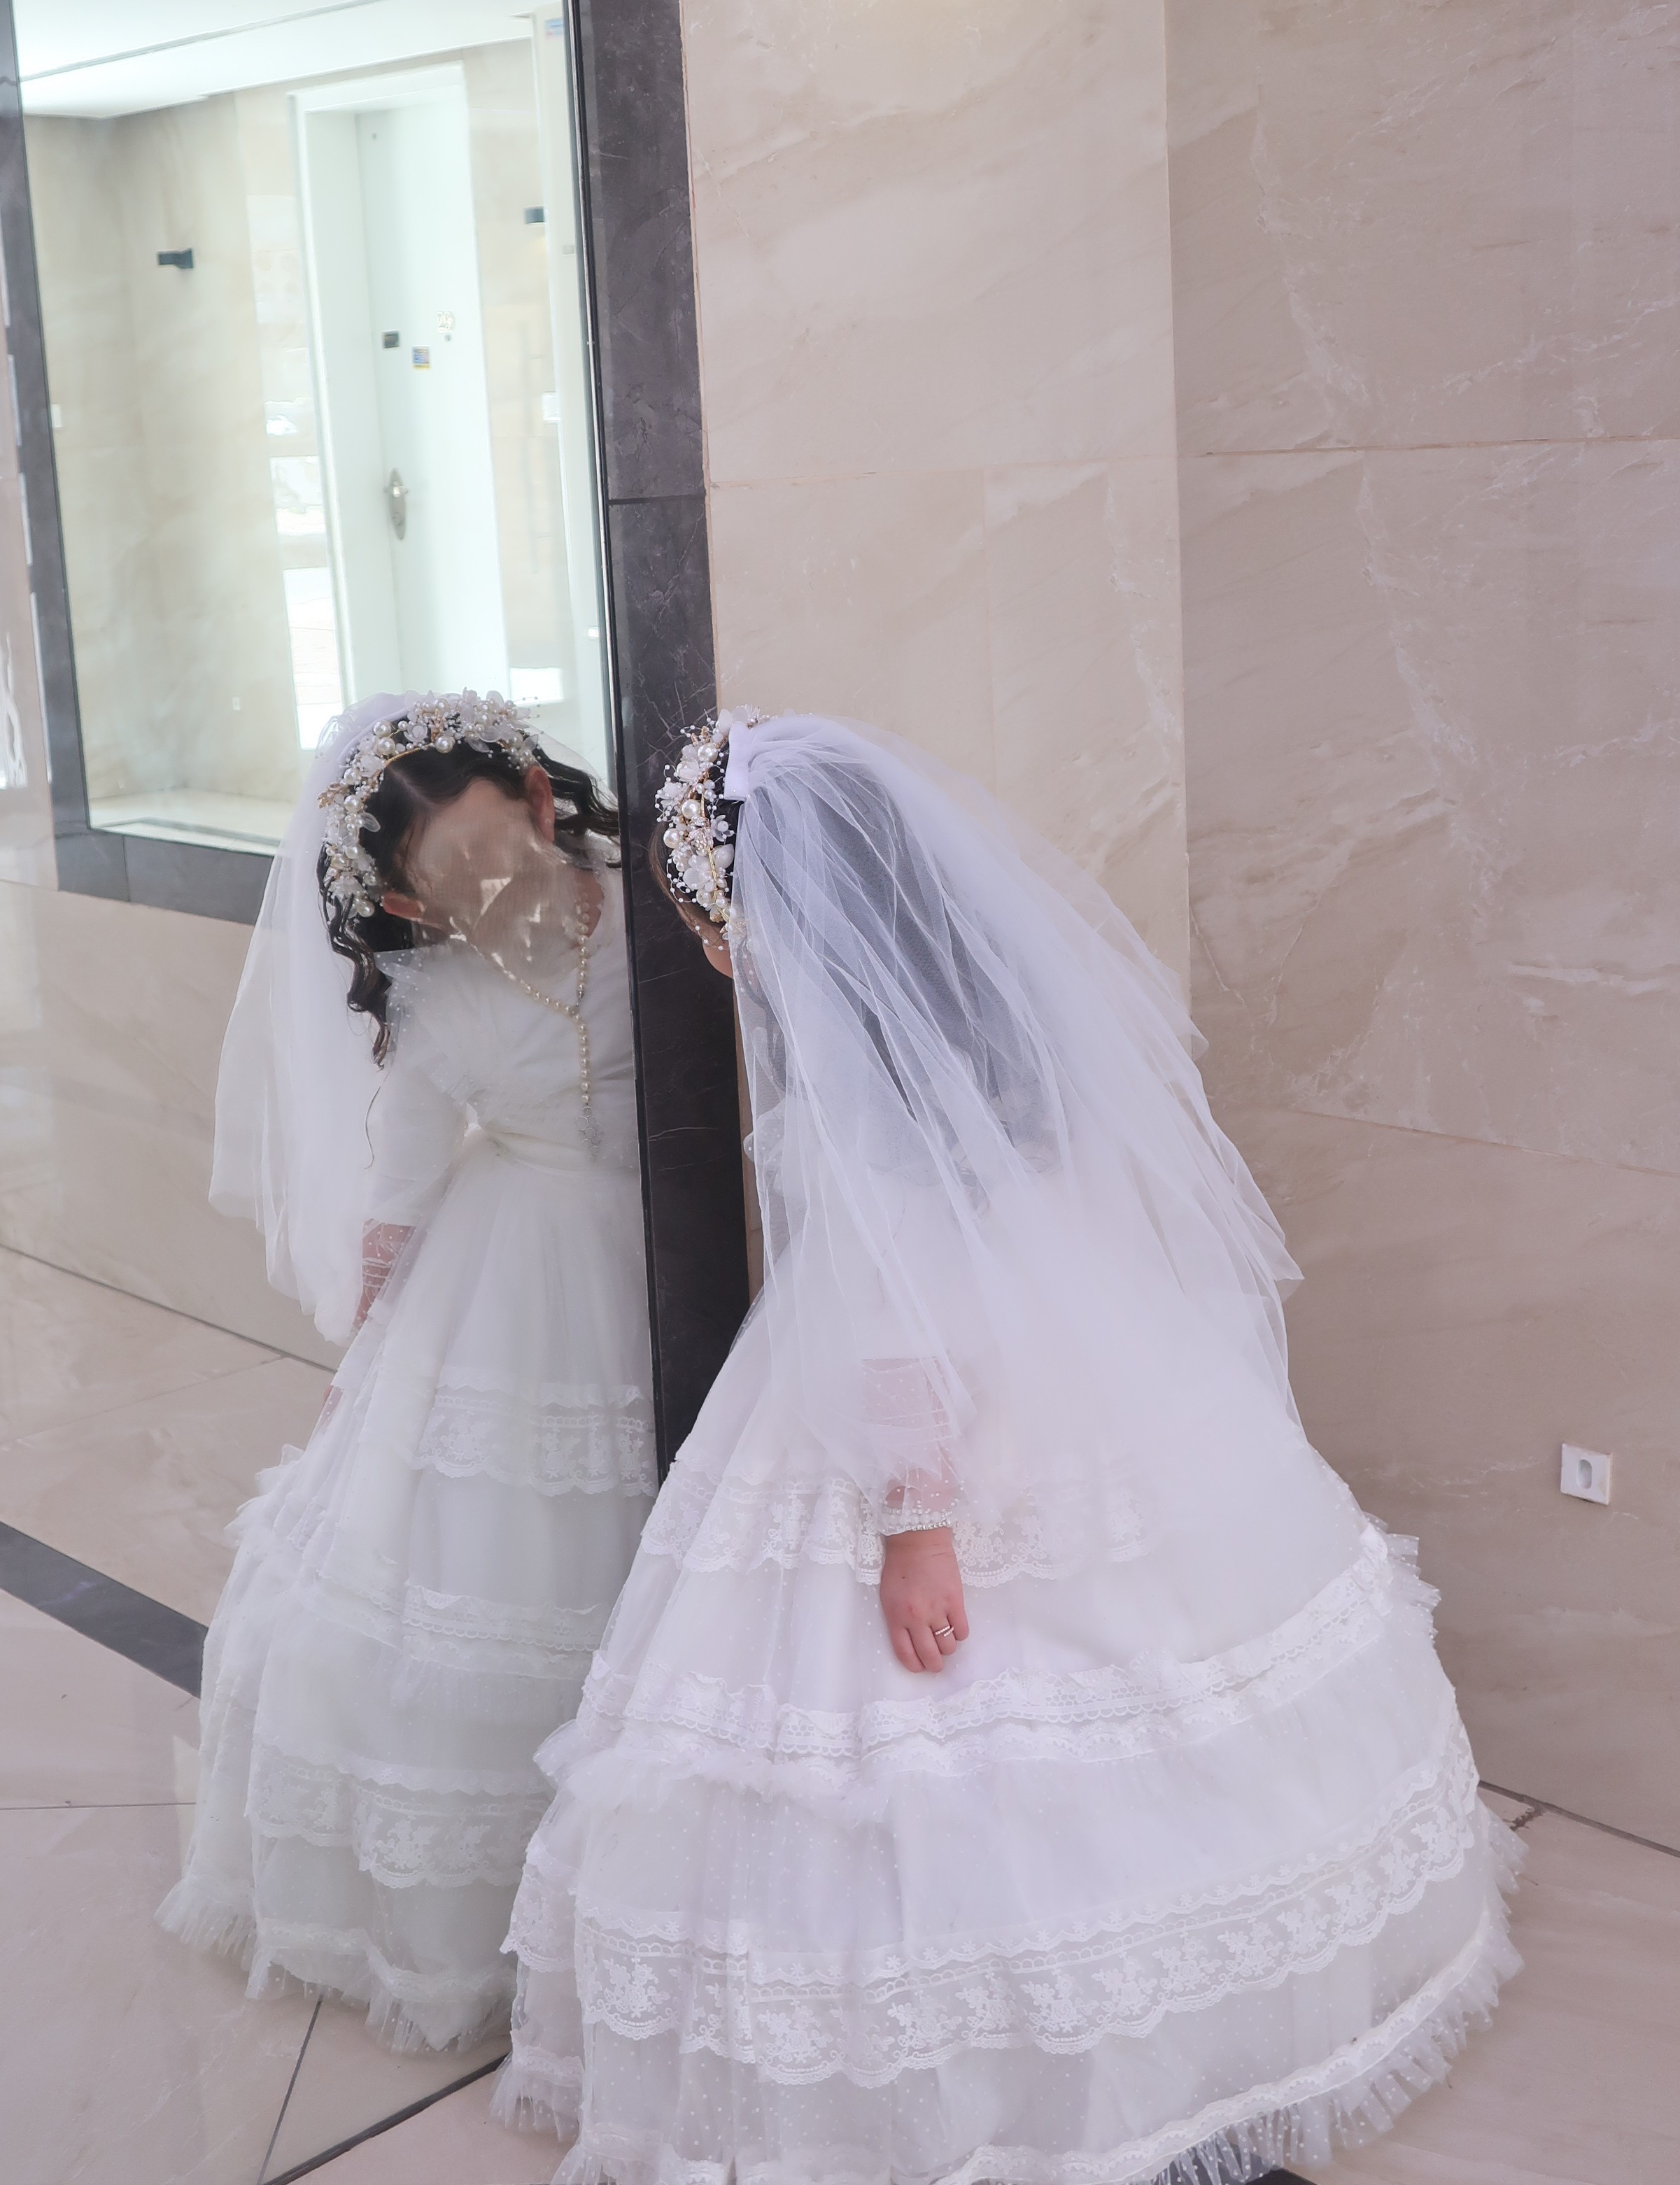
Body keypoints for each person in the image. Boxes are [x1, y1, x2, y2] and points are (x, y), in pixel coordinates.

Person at [497, 709, 1520, 2183]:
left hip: (937, 1446)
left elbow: (901, 1327)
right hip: (1083, 1386)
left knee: (929, 1755)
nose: (712, 949)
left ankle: (1017, 2074)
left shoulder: (864, 1090)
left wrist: (917, 1529)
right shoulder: (988, 1026)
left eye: (713, 918)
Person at [160, 693, 655, 2051]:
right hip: (509, 1277)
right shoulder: (437, 991)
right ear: (406, 902)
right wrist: (373, 1351)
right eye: (452, 879)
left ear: (544, 806)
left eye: (502, 849)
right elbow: (403, 1192)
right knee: (494, 1556)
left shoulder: (655, 916)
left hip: (676, 1255)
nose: (492, 890)